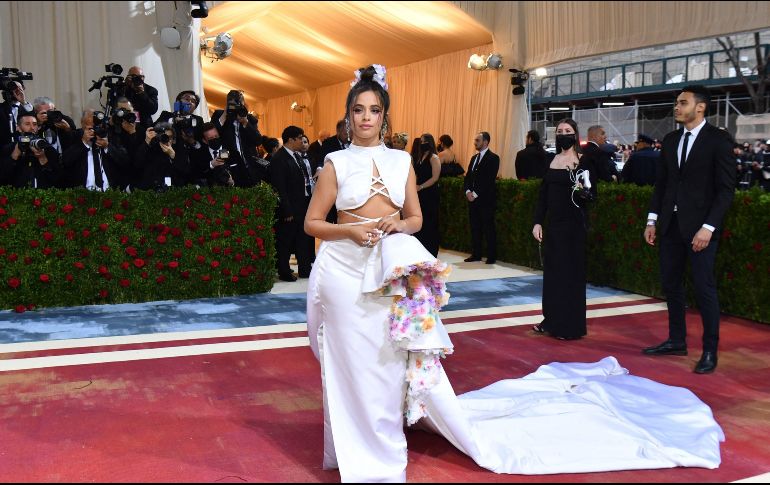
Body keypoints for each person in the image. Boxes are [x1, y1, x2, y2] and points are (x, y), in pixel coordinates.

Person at [304, 65, 724, 483]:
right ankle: (353, 447)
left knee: (388, 361)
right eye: (358, 109)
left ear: (384, 117)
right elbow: (313, 223)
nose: (365, 117)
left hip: (393, 272)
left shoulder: (402, 162)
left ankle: (384, 438)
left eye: (374, 110)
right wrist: (350, 230)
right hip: (345, 271)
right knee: (350, 363)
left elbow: (414, 218)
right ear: (348, 115)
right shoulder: (335, 163)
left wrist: (398, 225)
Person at [643, 85, 736, 374]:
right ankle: (676, 340)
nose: (676, 107)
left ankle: (710, 350)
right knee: (670, 285)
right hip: (670, 226)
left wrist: (708, 227)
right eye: (676, 103)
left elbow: (725, 190)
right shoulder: (670, 140)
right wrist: (652, 220)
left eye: (683, 102)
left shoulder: (718, 140)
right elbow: (663, 185)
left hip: (701, 230)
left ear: (701, 107)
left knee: (704, 288)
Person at [531, 118, 598, 341]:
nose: (563, 134)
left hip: (574, 226)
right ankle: (550, 320)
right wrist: (537, 221)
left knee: (571, 275)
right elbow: (543, 196)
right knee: (552, 275)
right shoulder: (551, 160)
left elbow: (591, 194)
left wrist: (582, 190)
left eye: (567, 131)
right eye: (559, 131)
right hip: (554, 226)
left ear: (575, 134)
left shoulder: (583, 161)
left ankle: (569, 326)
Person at [270, 125, 314, 281]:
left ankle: (304, 268)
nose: (302, 141)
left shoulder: (297, 156)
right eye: (299, 138)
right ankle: (284, 270)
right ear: (290, 140)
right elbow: (280, 187)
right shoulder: (279, 158)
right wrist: (286, 210)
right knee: (286, 241)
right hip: (289, 208)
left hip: (302, 205)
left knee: (302, 238)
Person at [61, 109, 130, 190]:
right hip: (82, 193)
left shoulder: (110, 136)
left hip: (110, 192)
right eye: (90, 127)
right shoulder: (74, 136)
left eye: (97, 126)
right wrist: (83, 143)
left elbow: (125, 162)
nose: (94, 130)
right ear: (82, 124)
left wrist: (107, 147)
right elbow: (65, 161)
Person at [463, 131, 499, 264]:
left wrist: (475, 193)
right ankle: (476, 254)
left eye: (477, 140)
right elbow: (468, 177)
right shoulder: (474, 158)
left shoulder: (494, 158)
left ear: (486, 142)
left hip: (485, 200)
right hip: (472, 199)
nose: (475, 143)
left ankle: (491, 256)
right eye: (475, 140)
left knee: (488, 228)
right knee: (475, 227)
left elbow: (488, 180)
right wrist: (467, 191)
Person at [412, 133, 441, 256]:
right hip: (419, 193)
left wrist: (421, 186)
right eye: (421, 141)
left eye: (424, 142)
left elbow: (435, 178)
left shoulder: (434, 158)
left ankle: (431, 251)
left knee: (430, 222)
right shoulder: (420, 157)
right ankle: (420, 250)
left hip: (430, 194)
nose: (422, 144)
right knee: (420, 221)